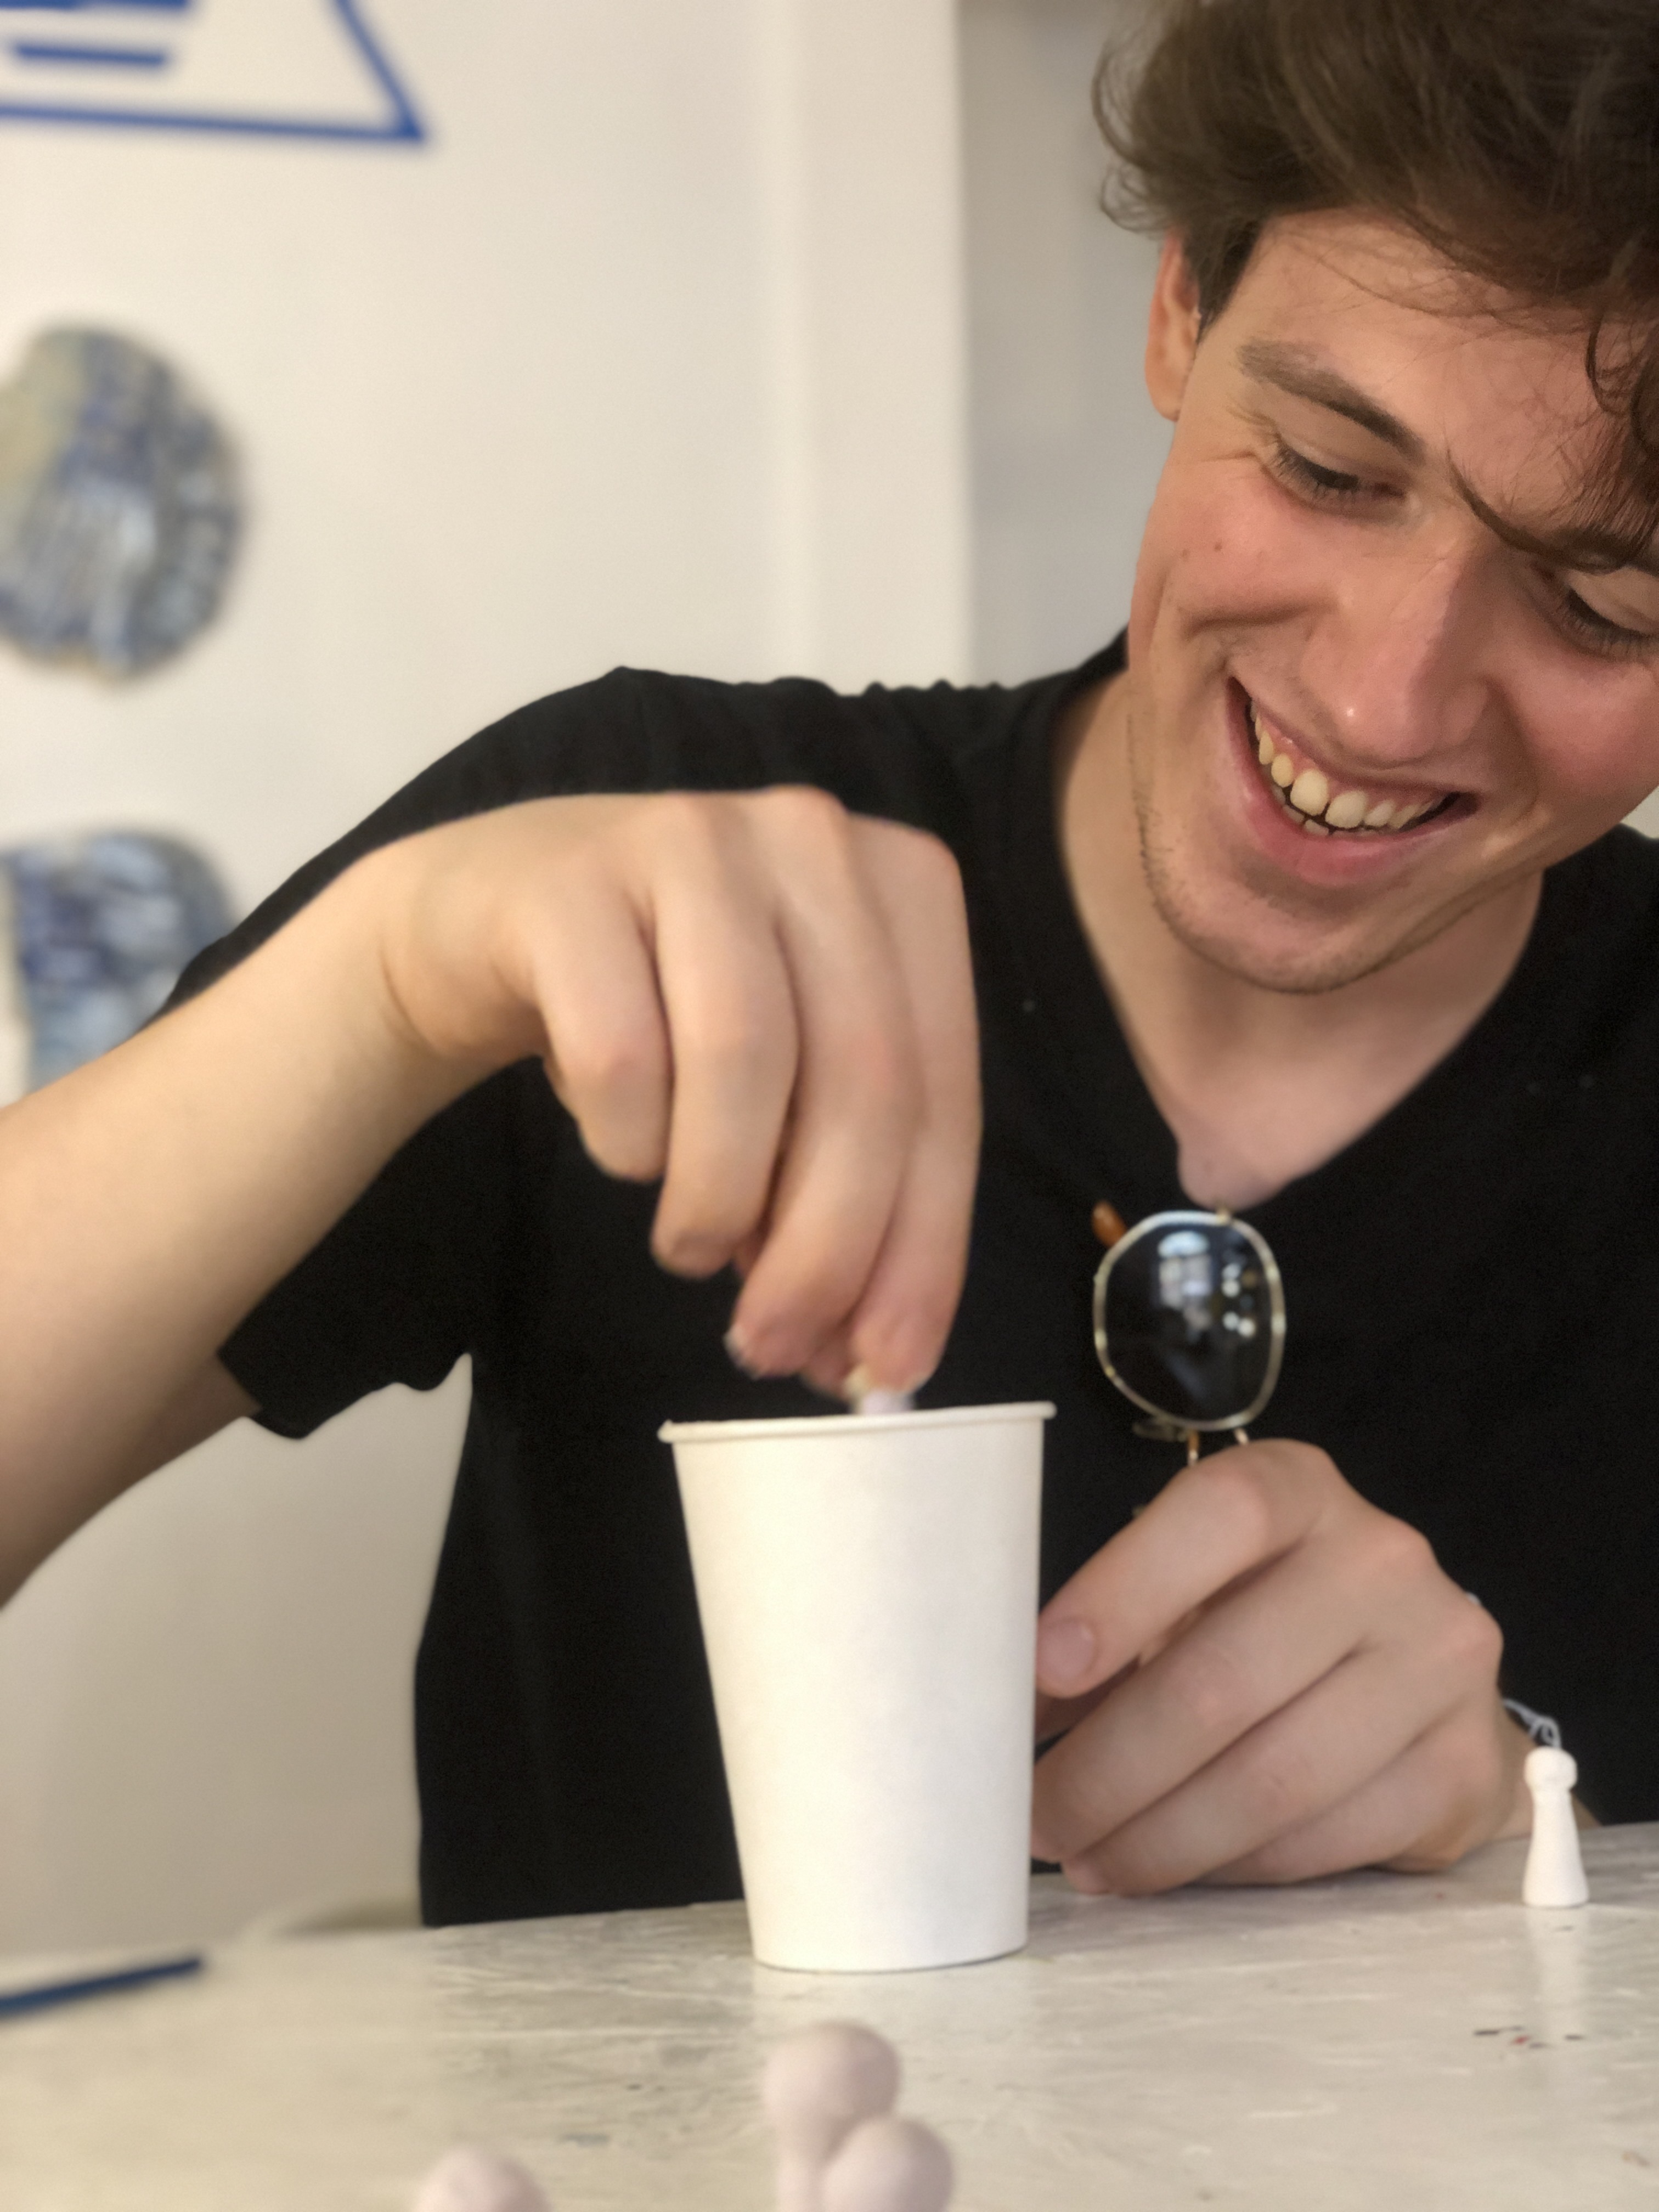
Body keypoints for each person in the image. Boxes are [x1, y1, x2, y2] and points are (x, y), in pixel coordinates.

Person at [4, 0, 1658, 1924]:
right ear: (1178, 311)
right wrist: (377, 991)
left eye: (1597, 606)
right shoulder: (638, 831)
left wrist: (1536, 1812)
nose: (1385, 698)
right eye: (1325, 471)